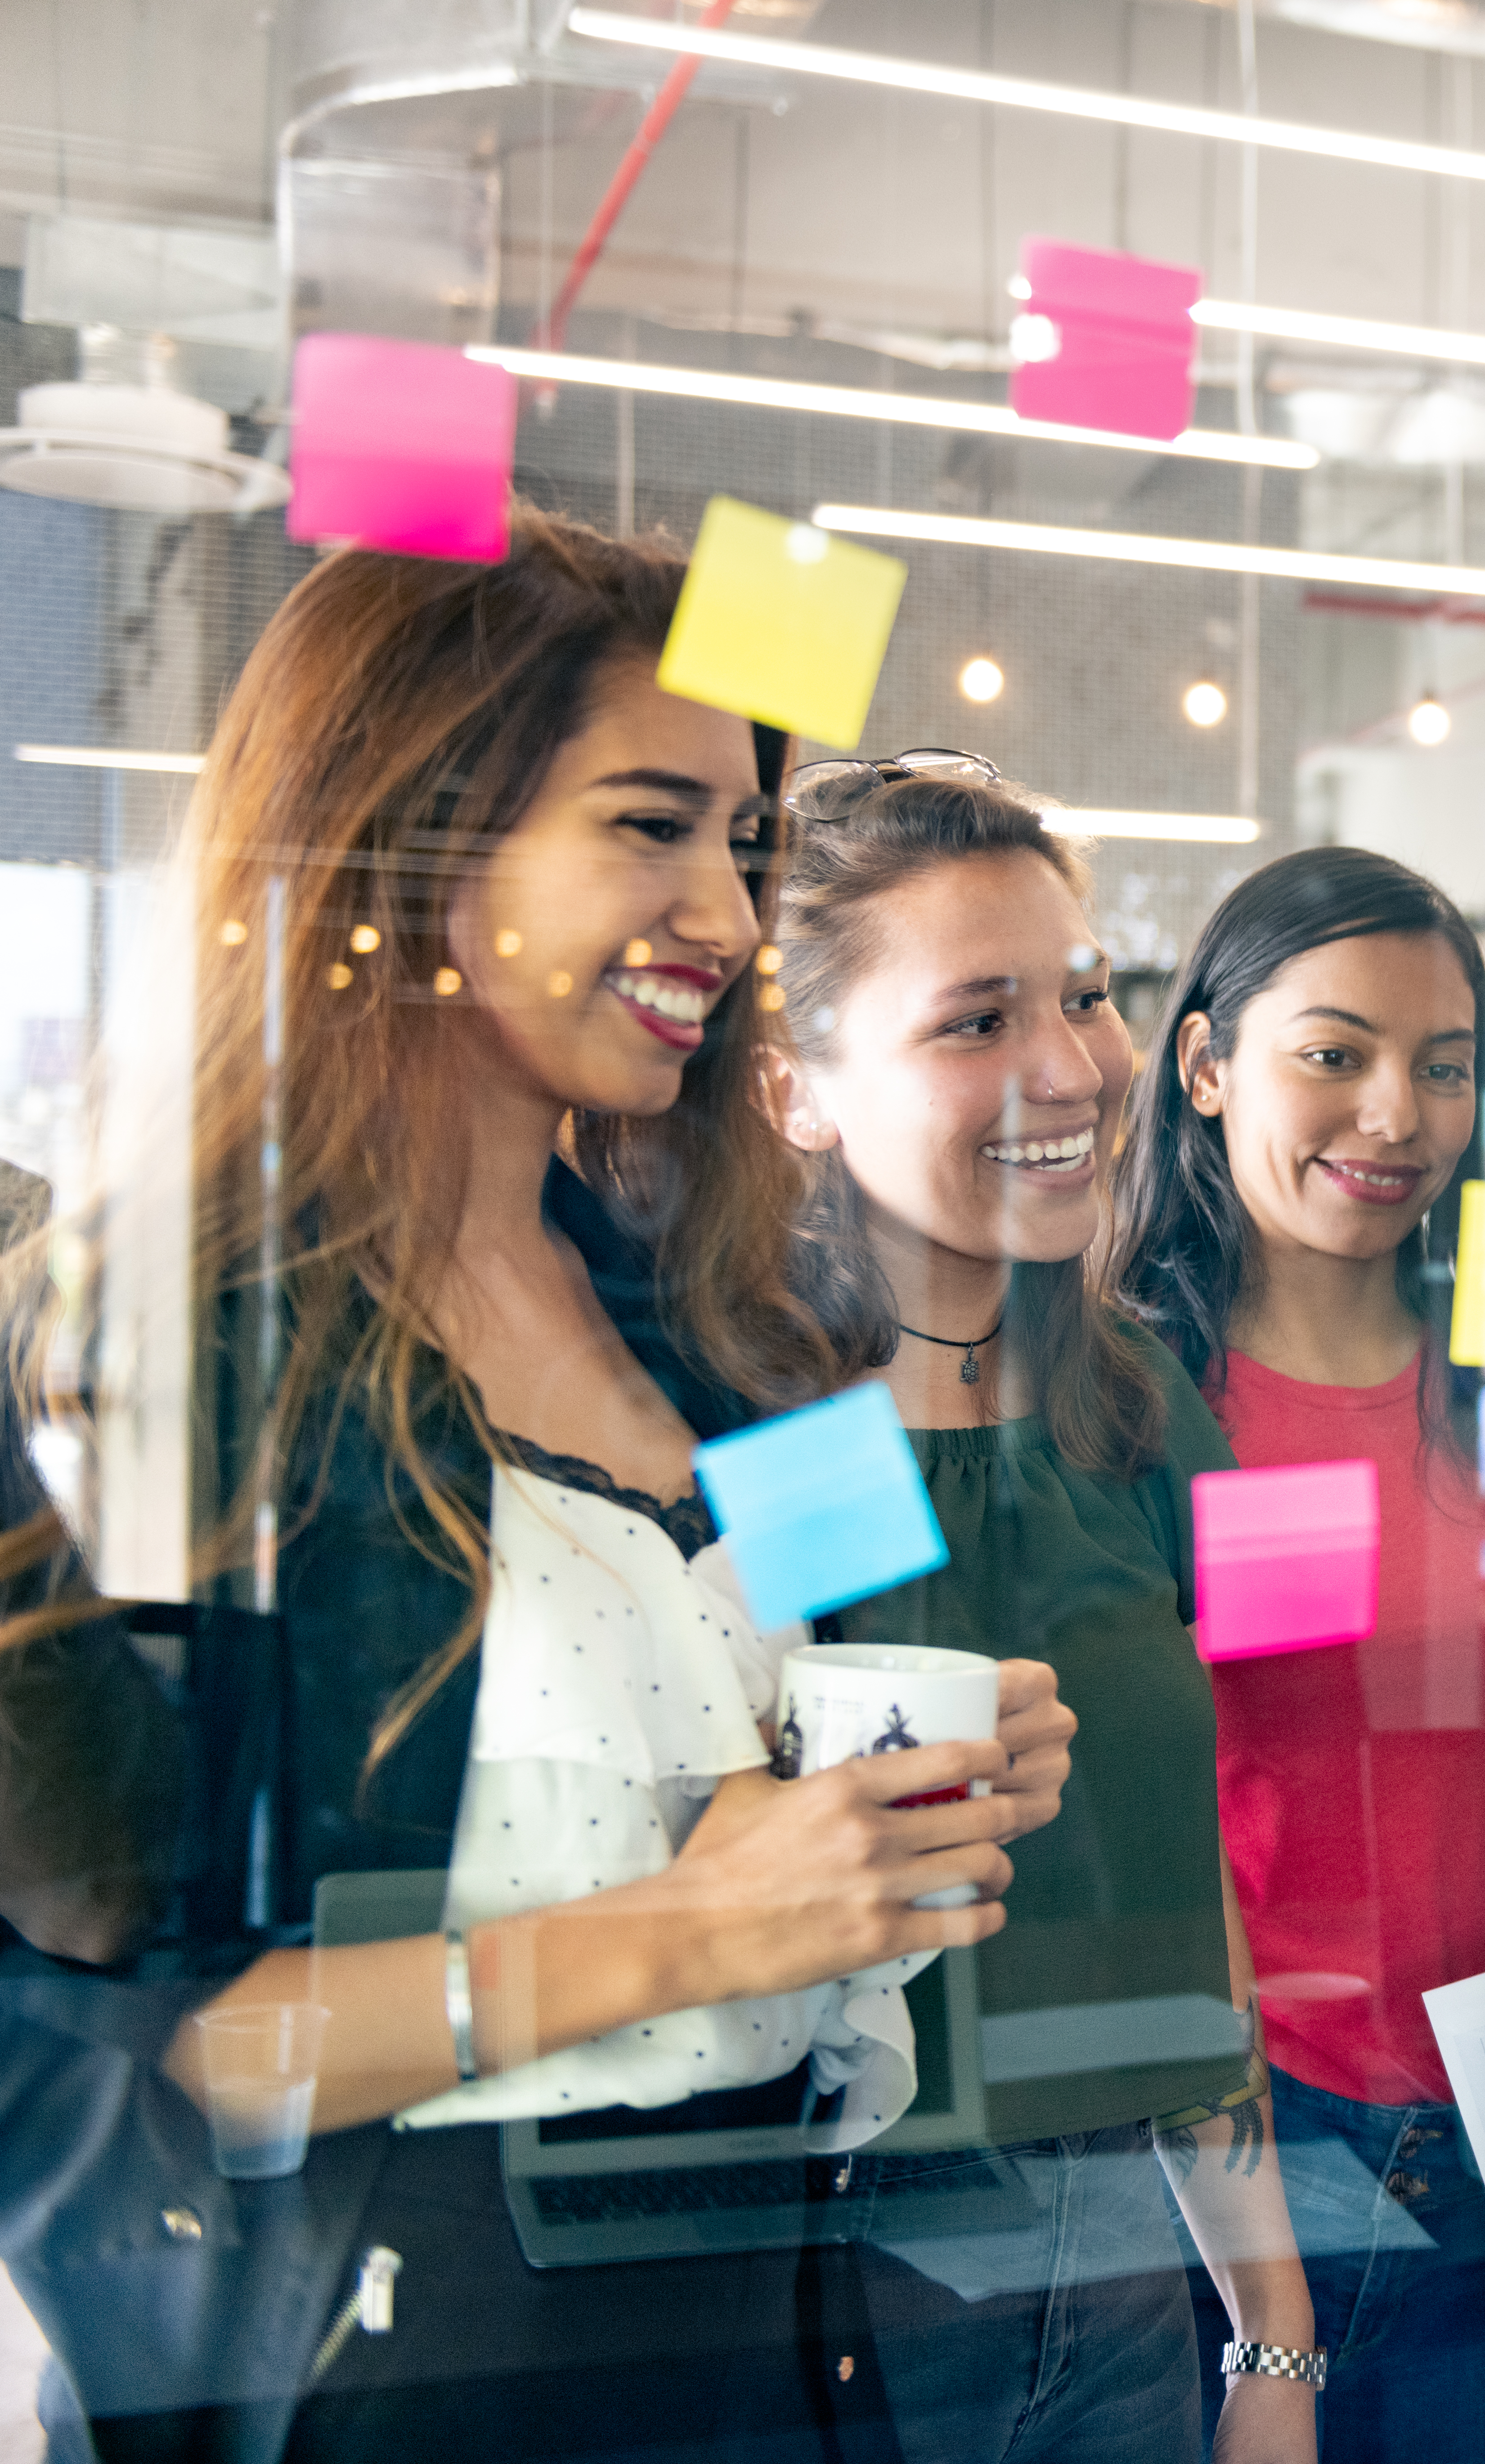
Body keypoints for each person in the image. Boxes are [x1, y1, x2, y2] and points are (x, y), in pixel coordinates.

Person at [0, 510, 1071, 2460]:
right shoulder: (161, 1355)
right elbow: (136, 2060)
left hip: (785, 2342)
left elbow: (864, 1689)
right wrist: (685, 1928)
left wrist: (940, 1773)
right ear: (404, 831)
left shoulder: (741, 1321)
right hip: (403, 2383)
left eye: (738, 844)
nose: (731, 919)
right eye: (646, 824)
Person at [756, 758, 1321, 2463]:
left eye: (1082, 994)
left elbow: (1182, 1873)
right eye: (976, 1018)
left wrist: (1271, 2334)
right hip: (843, 2280)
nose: (1071, 1066)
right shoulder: (757, 1428)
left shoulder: (1131, 1408)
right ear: (797, 1086)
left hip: (1129, 2269)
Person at [1099, 845, 1485, 2464]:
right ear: (1204, 1062)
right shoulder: (1122, 1403)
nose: (1395, 1114)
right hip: (1238, 2164)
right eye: (1334, 1054)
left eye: (1442, 1064)